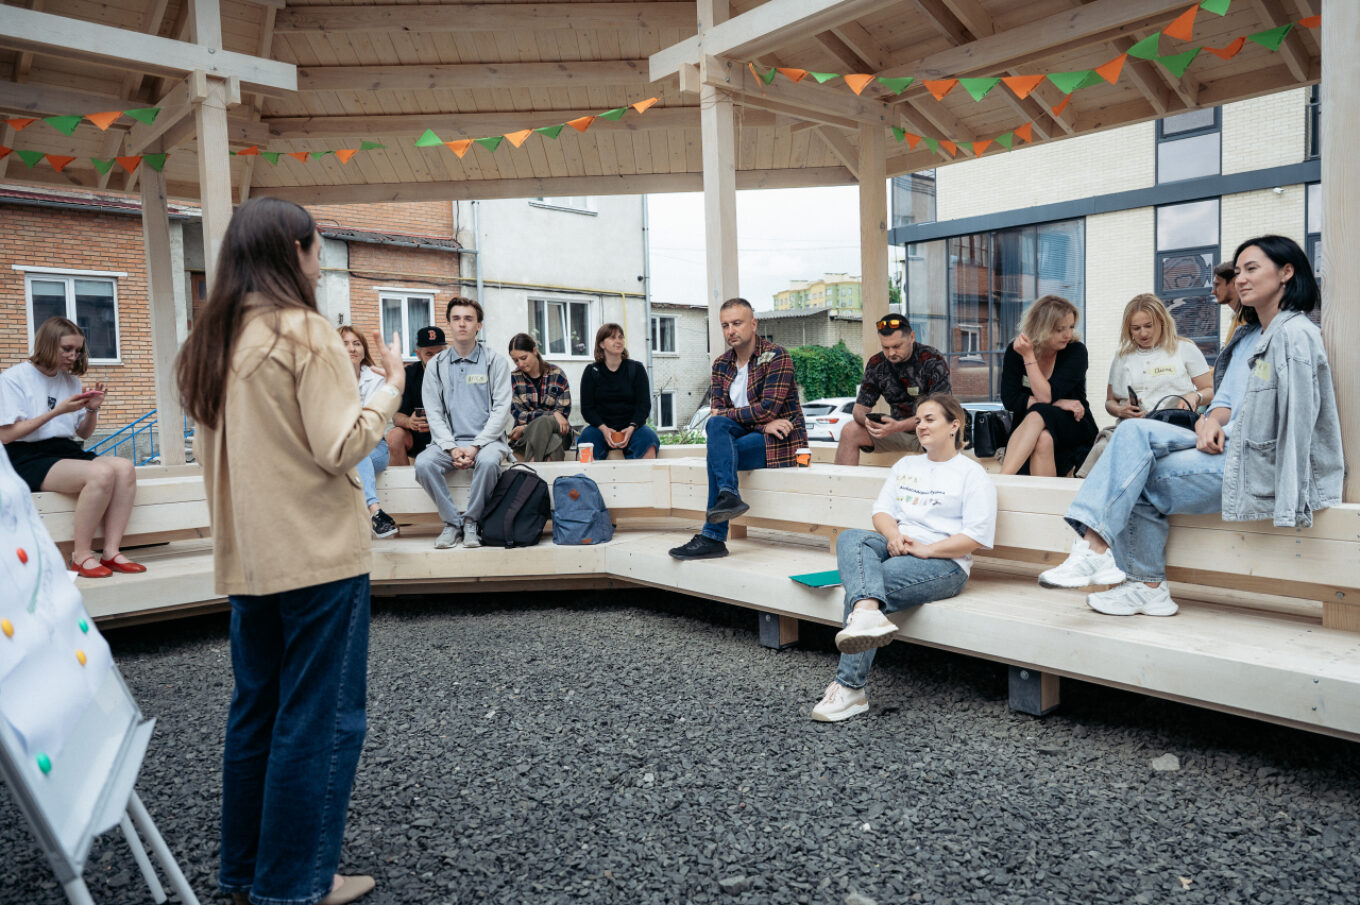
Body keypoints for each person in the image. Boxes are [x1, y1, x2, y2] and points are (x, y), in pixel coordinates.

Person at [176, 197, 402, 905]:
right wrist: (391, 388)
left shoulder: (212, 340)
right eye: (317, 250)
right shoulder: (304, 332)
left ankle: (247, 872)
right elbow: (341, 445)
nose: (321, 264)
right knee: (320, 718)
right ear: (293, 251)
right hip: (317, 553)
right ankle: (298, 882)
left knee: (257, 713)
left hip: (250, 558)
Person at [1038, 235, 1343, 617]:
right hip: (1222, 445)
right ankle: (1107, 559)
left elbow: (1299, 418)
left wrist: (1290, 488)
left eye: (1252, 269)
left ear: (1286, 273)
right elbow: (1225, 401)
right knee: (1131, 433)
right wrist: (1209, 421)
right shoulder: (1249, 337)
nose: (1241, 279)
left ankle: (1130, 575)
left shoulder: (1296, 335)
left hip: (1256, 461)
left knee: (1136, 473)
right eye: (1238, 271)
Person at [812, 394, 997, 722]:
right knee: (852, 538)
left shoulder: (971, 474)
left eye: (930, 419)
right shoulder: (906, 466)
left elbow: (976, 536)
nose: (921, 426)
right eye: (919, 420)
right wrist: (895, 536)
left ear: (954, 425)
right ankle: (866, 616)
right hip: (899, 545)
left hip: (945, 562)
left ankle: (850, 688)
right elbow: (881, 512)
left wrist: (928, 549)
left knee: (870, 585)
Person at [0, 316, 141, 578]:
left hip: (64, 450)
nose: (73, 356)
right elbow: (7, 435)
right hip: (24, 455)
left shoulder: (71, 381)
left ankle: (111, 552)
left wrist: (92, 410)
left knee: (124, 468)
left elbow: (82, 433)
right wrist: (57, 411)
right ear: (47, 344)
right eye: (67, 349)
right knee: (101, 473)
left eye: (77, 350)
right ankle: (81, 556)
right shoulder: (13, 378)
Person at [669, 298, 807, 560]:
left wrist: (756, 421)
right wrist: (762, 424)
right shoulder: (721, 364)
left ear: (753, 324)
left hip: (780, 441)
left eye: (737, 323)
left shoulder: (776, 356)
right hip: (756, 433)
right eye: (725, 325)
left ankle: (713, 536)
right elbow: (719, 413)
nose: (730, 330)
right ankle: (729, 495)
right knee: (716, 425)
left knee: (717, 454)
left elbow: (768, 409)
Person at [1076, 294, 1213, 478]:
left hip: (1172, 427)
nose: (1143, 333)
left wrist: (1195, 396)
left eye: (1149, 326)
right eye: (1136, 328)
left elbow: (1210, 390)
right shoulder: (1122, 356)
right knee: (1102, 450)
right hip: (1131, 427)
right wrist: (1121, 410)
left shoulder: (1184, 348)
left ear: (1162, 322)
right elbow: (1110, 402)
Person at [415, 297, 513, 550]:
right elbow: (434, 412)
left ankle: (471, 522)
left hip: (488, 442)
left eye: (468, 319)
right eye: (456, 318)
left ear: (478, 325)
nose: (462, 324)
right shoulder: (436, 365)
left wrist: (476, 446)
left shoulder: (495, 362)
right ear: (449, 323)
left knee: (489, 462)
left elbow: (502, 410)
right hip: (448, 443)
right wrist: (451, 447)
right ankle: (452, 523)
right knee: (424, 464)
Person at [998, 295, 1098, 477]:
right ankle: (1039, 496)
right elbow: (1010, 399)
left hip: (1073, 424)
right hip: (1030, 428)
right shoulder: (1015, 351)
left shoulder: (1076, 351)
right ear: (1041, 327)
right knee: (1043, 439)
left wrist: (1029, 357)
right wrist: (1059, 403)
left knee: (1038, 412)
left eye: (1071, 327)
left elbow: (1045, 397)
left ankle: (1002, 480)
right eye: (1060, 329)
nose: (1068, 335)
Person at [835, 313, 951, 465]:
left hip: (930, 431)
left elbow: (941, 412)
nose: (891, 353)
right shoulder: (877, 364)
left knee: (943, 431)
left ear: (912, 337)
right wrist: (869, 422)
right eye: (885, 347)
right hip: (895, 431)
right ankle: (841, 480)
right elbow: (859, 410)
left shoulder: (932, 359)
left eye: (897, 346)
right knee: (850, 430)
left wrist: (897, 426)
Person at [340, 326, 398, 539]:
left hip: (375, 448)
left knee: (355, 454)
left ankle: (374, 511)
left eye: (357, 344)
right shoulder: (327, 379)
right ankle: (375, 516)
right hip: (341, 450)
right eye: (345, 344)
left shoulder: (376, 378)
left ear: (364, 349)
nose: (352, 349)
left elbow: (371, 422)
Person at [578, 323, 659, 460]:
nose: (618, 341)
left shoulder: (636, 369)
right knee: (585, 442)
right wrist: (603, 428)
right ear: (602, 344)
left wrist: (632, 427)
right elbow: (587, 408)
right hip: (600, 429)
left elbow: (644, 405)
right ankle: (586, 475)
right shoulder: (591, 371)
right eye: (612, 337)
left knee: (649, 439)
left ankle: (641, 475)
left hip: (632, 428)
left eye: (621, 337)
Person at [508, 332, 573, 462]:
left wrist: (526, 426)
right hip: (526, 437)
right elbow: (520, 415)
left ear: (534, 351)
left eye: (523, 358)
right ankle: (541, 467)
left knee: (546, 424)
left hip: (559, 432)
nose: (520, 364)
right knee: (553, 440)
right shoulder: (513, 379)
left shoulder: (557, 374)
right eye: (515, 360)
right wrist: (553, 414)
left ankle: (533, 467)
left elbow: (563, 416)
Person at [386, 326, 445, 466]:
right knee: (394, 436)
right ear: (418, 354)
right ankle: (403, 480)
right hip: (418, 436)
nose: (436, 359)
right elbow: (396, 416)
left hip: (449, 436)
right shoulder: (409, 374)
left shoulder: (457, 372)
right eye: (429, 354)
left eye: (440, 353)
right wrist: (409, 422)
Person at [1212, 261, 1248, 392]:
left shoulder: (1247, 320)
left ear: (1233, 282)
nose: (1213, 291)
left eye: (1217, 285)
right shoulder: (1236, 318)